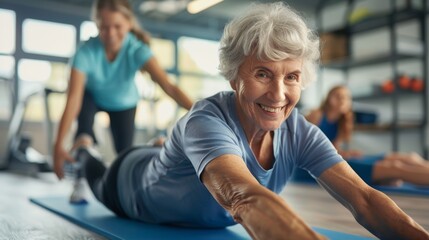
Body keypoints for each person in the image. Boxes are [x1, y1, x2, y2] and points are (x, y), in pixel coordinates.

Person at [55, 2, 429, 239]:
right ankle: (84, 153)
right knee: (93, 164)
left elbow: (363, 199)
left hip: (171, 162)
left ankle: (162, 150)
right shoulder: (207, 120)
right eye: (263, 74)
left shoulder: (299, 131)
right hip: (127, 184)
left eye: (292, 76)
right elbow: (243, 197)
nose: (279, 95)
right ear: (235, 76)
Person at [53, 0, 193, 203]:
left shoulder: (137, 50)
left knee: (124, 153)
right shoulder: (85, 52)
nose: (110, 34)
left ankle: (127, 183)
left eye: (117, 26)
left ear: (129, 23)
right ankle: (81, 180)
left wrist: (201, 109)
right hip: (91, 97)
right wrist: (58, 146)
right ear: (96, 25)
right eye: (103, 27)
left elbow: (169, 87)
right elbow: (73, 99)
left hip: (124, 102)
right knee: (84, 136)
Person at [305, 85, 429, 186]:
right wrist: (342, 154)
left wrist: (346, 153)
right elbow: (306, 148)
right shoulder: (317, 115)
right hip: (321, 166)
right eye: (338, 96)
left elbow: (333, 148)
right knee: (395, 167)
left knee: (409, 157)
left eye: (347, 97)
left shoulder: (342, 121)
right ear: (328, 99)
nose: (343, 100)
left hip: (336, 159)